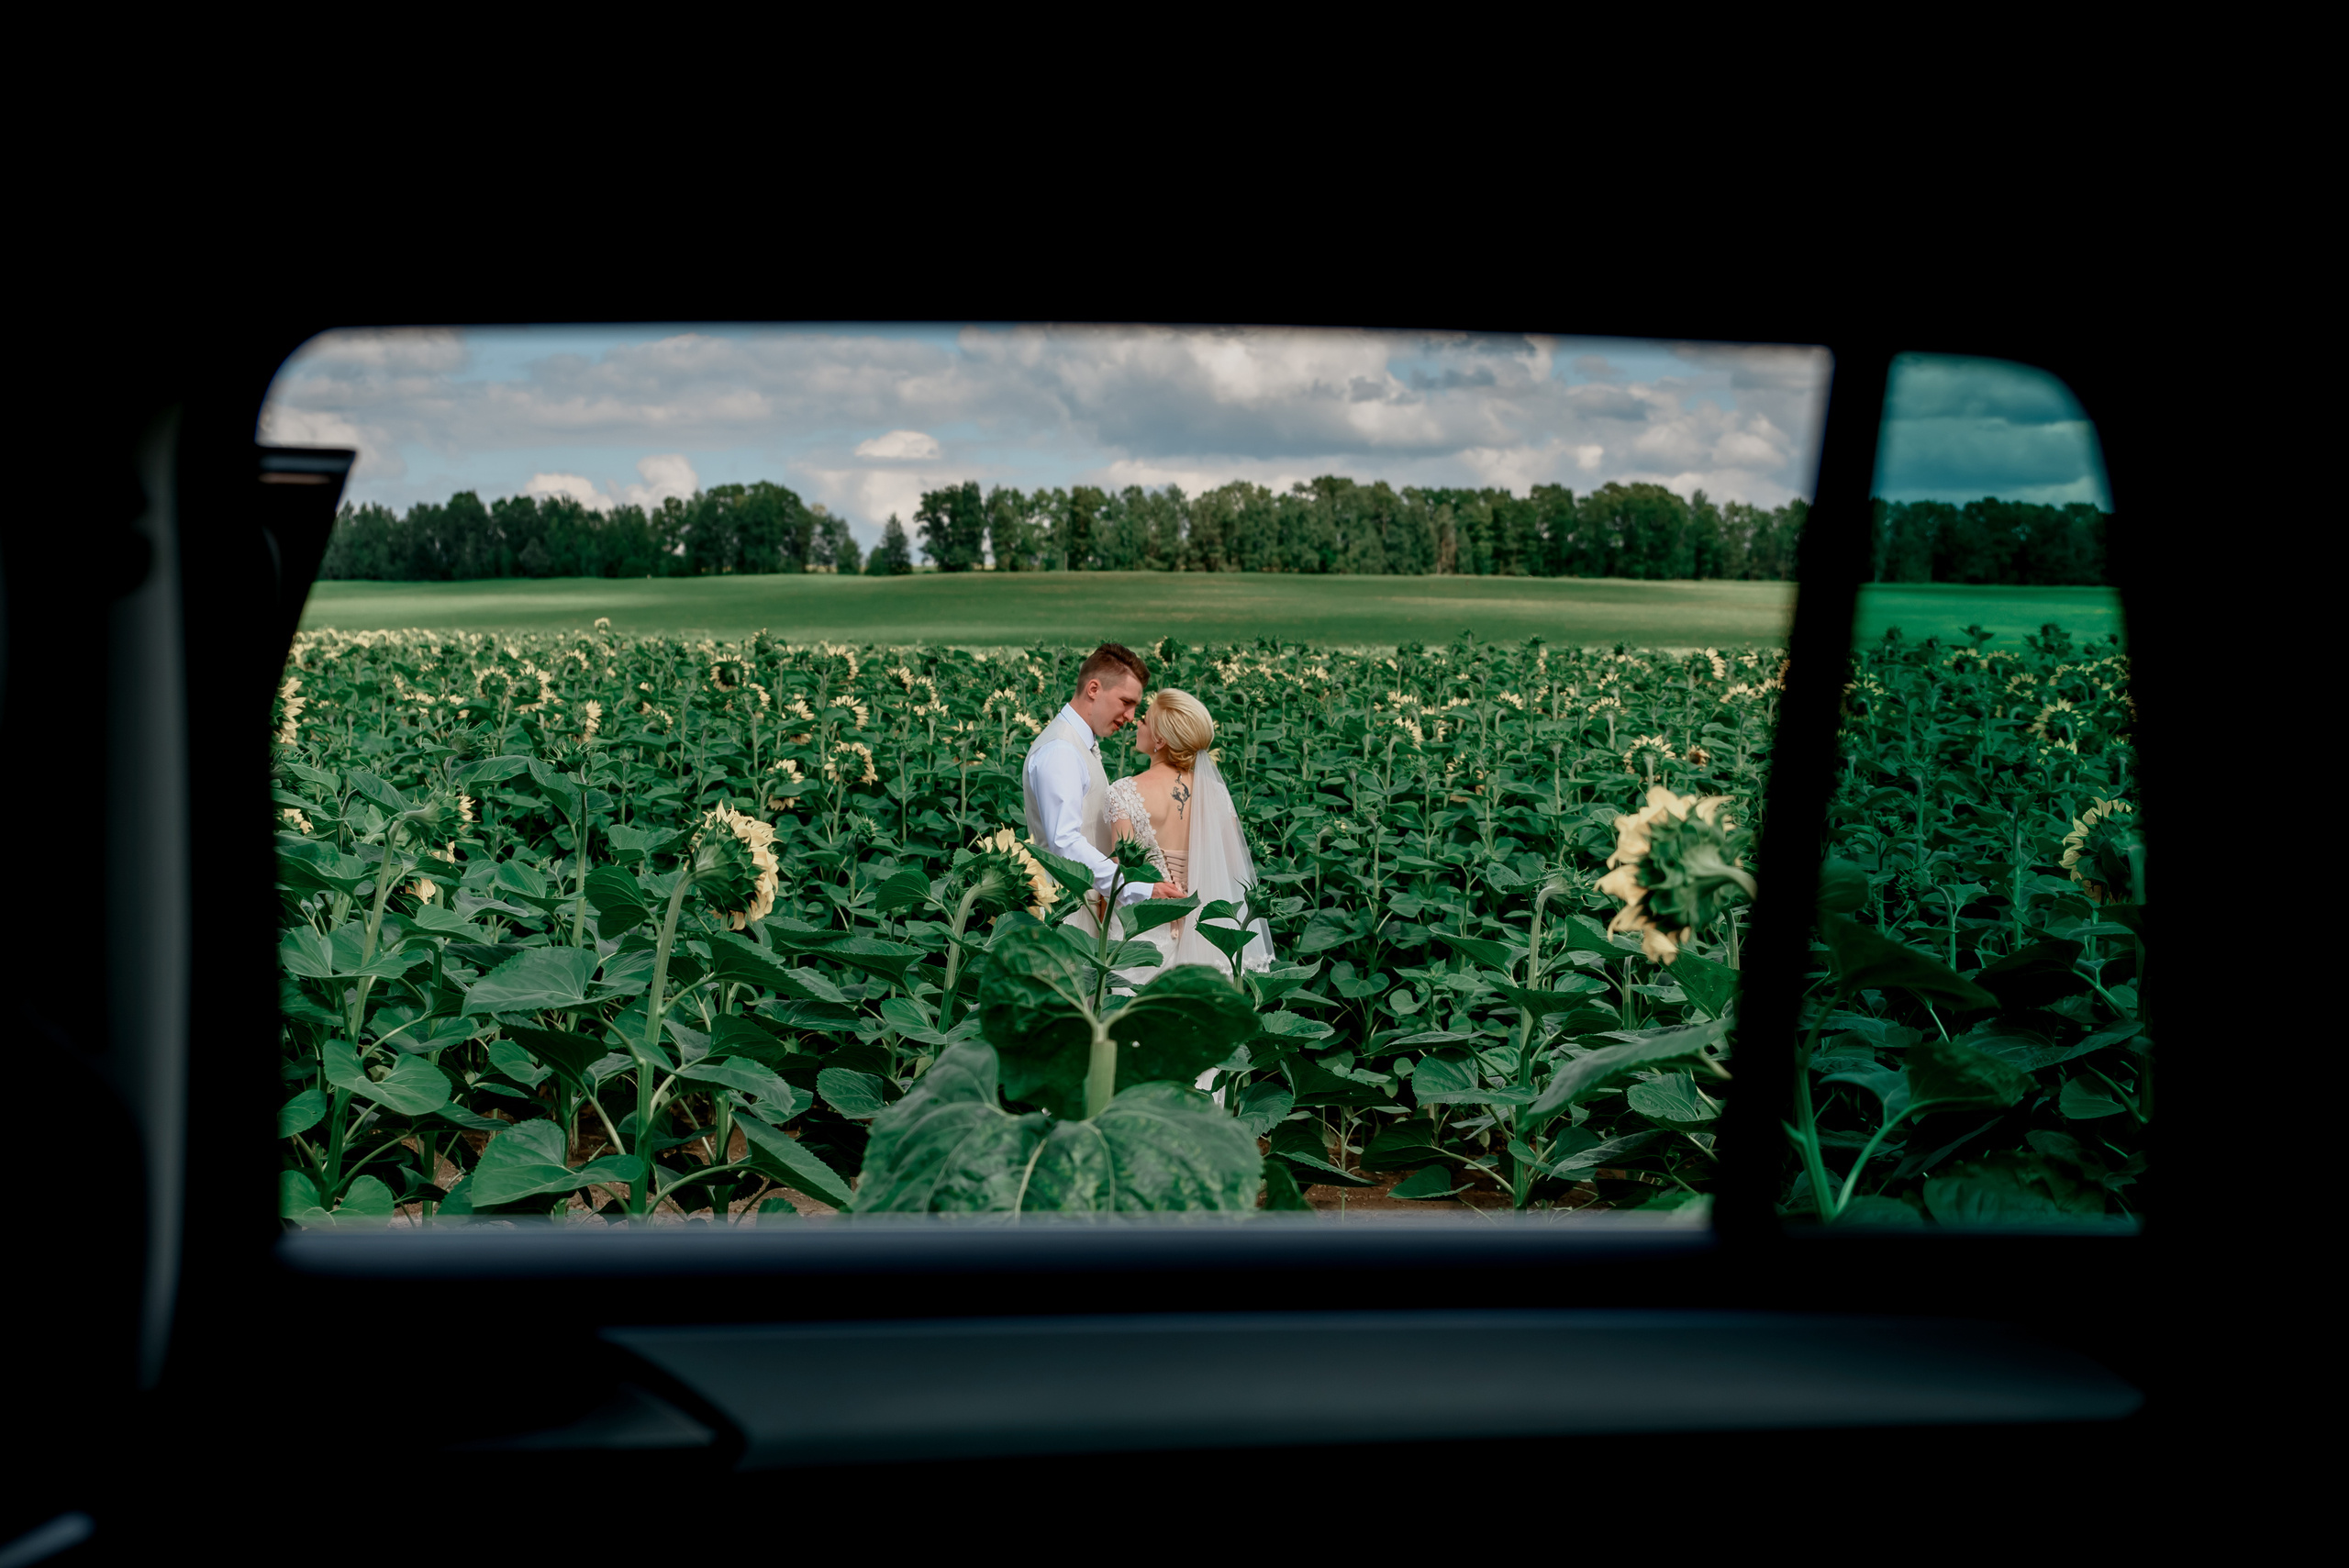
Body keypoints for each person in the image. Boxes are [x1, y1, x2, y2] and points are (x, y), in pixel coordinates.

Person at [1107, 687, 1276, 1098]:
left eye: (1145, 718)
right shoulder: (1214, 794)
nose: (1138, 723)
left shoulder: (1124, 792)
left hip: (1144, 935)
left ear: (1161, 739)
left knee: (1135, 1046)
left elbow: (1122, 877)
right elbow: (1227, 868)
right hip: (1206, 936)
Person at [1020, 644, 1185, 947]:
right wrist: (1140, 889)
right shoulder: (1061, 750)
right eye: (1126, 702)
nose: (1131, 716)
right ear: (1094, 689)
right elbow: (1065, 843)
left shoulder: (1077, 744)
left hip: (1087, 913)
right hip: (1066, 918)